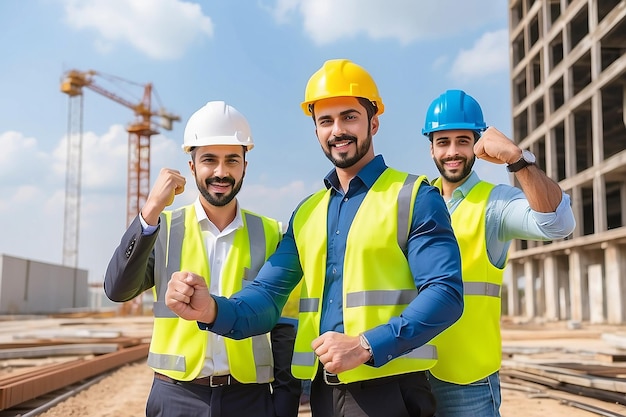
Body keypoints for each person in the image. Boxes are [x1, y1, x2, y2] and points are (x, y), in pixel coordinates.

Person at [164, 59, 464, 417]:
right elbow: (266, 297)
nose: (337, 130)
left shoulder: (414, 196)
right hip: (325, 391)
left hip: (390, 390)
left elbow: (445, 294)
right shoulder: (307, 212)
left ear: (374, 122)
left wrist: (367, 344)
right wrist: (213, 309)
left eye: (349, 117)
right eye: (325, 120)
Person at [103, 100, 301, 417]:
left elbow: (286, 327)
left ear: (245, 166)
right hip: (176, 396)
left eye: (232, 161)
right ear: (192, 165)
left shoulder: (273, 233)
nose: (221, 172)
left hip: (249, 398)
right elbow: (117, 289)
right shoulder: (162, 229)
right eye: (209, 160)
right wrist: (151, 208)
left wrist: (283, 403)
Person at [421, 89, 577, 417]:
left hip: (469, 378)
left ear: (477, 144)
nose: (452, 152)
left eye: (462, 141)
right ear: (431, 147)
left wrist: (517, 160)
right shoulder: (416, 200)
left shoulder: (495, 203)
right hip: (412, 370)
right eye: (443, 142)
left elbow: (558, 223)